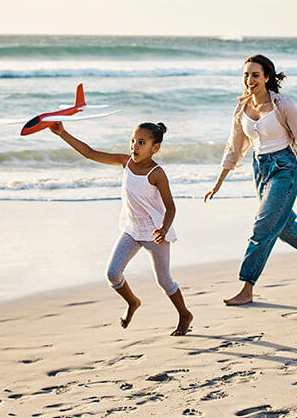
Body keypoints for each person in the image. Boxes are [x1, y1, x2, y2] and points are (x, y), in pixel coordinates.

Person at [204, 54, 297, 306]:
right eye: (246, 75)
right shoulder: (241, 108)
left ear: (267, 77)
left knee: (262, 227)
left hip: (284, 170)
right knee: (283, 226)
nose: (249, 80)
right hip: (260, 170)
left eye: (255, 75)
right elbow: (233, 149)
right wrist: (219, 181)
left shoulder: (283, 105)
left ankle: (247, 287)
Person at [49, 120, 193, 336]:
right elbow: (89, 153)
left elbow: (171, 207)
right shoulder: (125, 162)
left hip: (155, 233)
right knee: (113, 274)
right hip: (132, 230)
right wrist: (63, 133)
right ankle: (132, 302)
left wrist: (163, 230)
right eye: (133, 141)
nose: (134, 146)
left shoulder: (156, 173)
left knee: (164, 281)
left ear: (155, 148)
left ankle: (184, 314)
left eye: (141, 142)